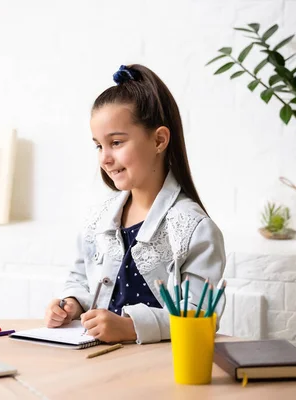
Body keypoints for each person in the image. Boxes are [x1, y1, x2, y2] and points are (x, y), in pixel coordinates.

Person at [44, 64, 226, 344]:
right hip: (98, 360)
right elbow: (81, 276)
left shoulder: (194, 229)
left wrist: (130, 328)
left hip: (158, 367)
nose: (104, 158)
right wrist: (71, 303)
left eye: (116, 142)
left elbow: (201, 313)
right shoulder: (99, 218)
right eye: (98, 146)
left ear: (159, 140)